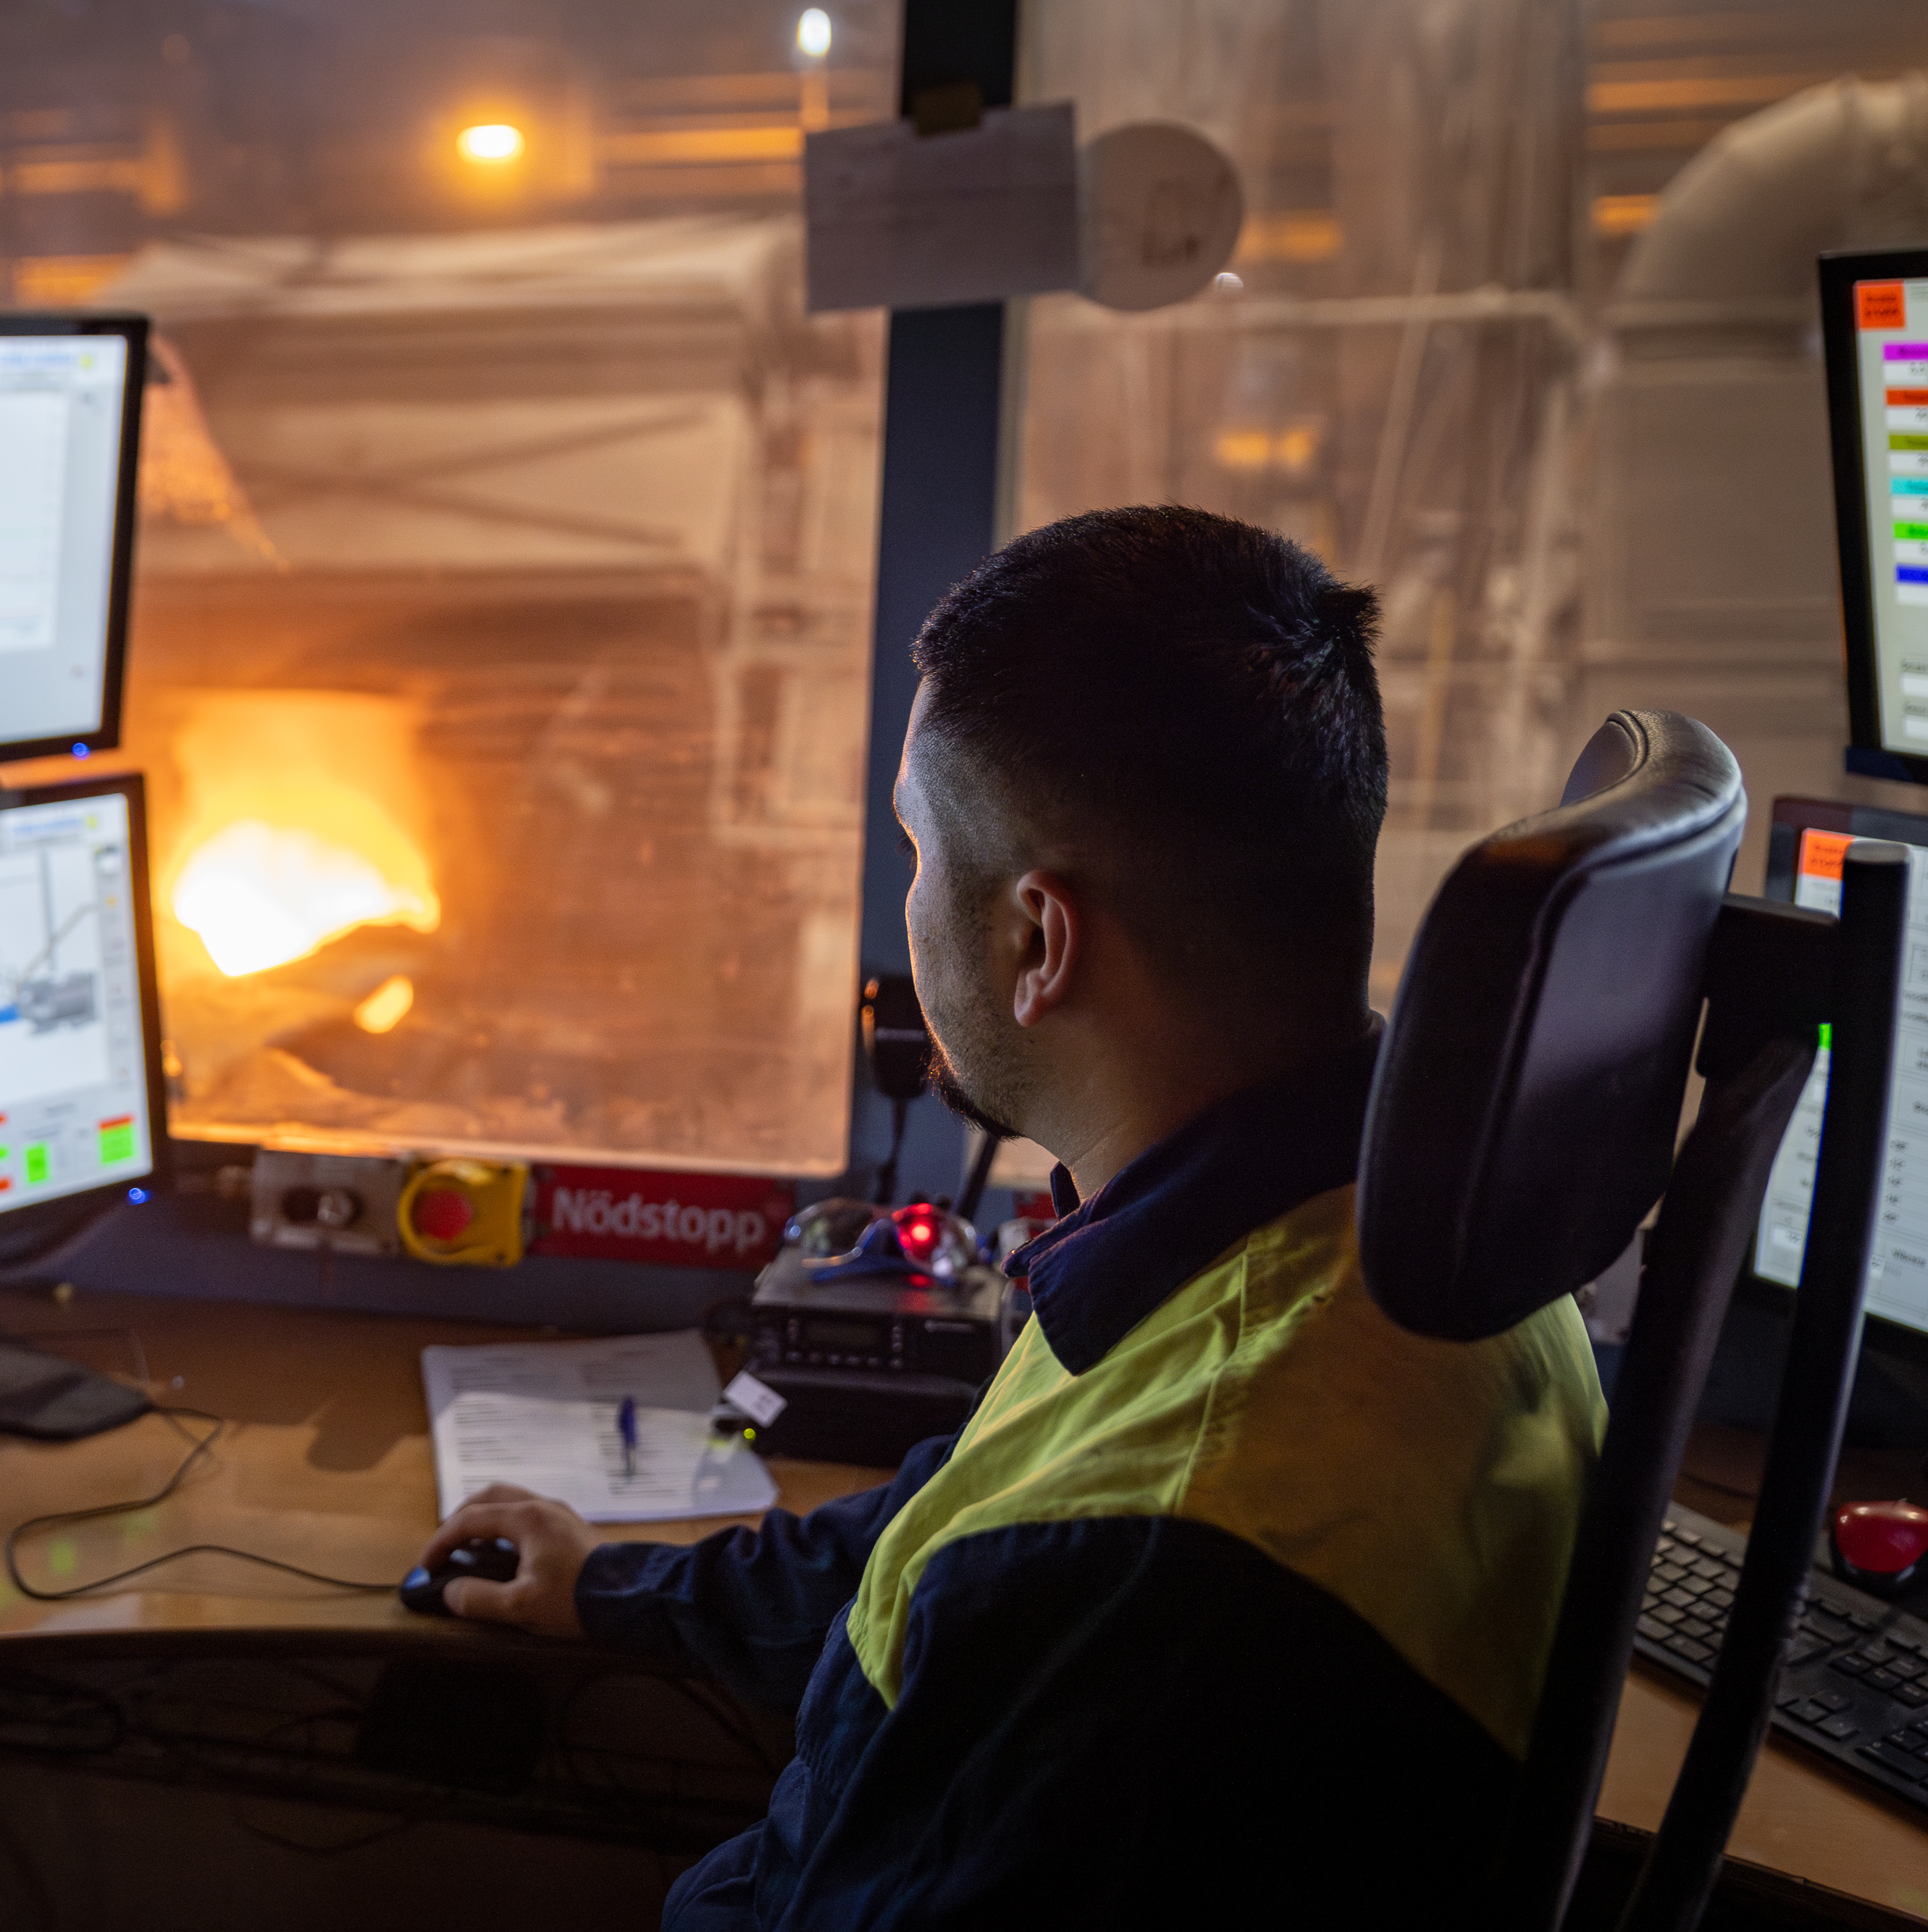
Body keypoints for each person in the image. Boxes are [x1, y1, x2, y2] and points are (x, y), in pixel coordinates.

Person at [416, 506, 1606, 1928]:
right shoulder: (1351, 1233)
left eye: (916, 850)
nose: (904, 904)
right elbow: (959, 1525)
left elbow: (1043, 1562)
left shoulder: (1153, 1563)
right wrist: (621, 1589)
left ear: (1035, 940)